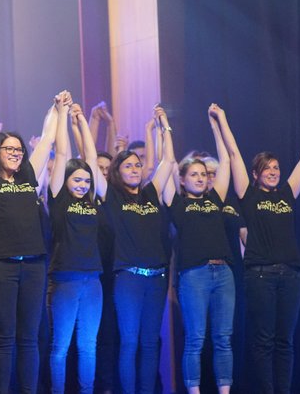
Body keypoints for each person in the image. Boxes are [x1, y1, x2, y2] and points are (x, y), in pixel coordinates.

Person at [231, 115, 300, 394]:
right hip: (260, 276)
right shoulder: (249, 196)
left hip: (291, 276)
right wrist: (220, 120)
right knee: (264, 341)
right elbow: (234, 155)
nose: (273, 172)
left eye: (276, 167)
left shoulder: (286, 195)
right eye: (266, 168)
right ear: (255, 174)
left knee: (285, 341)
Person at [0, 90, 59, 394]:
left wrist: (56, 108)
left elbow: (47, 139)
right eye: (9, 148)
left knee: (29, 338)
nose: (16, 153)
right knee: (4, 338)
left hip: (33, 266)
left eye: (19, 149)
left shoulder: (29, 177)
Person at [163, 104, 240, 393]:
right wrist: (163, 128)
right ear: (183, 180)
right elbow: (168, 163)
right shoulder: (178, 203)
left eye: (203, 174)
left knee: (223, 339)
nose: (199, 177)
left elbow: (227, 160)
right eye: (193, 174)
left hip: (224, 274)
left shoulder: (215, 199)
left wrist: (216, 123)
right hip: (194, 275)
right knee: (195, 339)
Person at [103, 106, 175, 394]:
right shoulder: (112, 197)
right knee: (130, 342)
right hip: (128, 279)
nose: (134, 169)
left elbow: (168, 161)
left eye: (137, 165)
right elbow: (91, 162)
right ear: (117, 172)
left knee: (149, 343)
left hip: (156, 279)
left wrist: (164, 126)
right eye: (128, 166)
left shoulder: (150, 194)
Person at [47, 97, 107, 393]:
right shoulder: (58, 199)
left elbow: (92, 159)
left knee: (88, 347)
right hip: (65, 280)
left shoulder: (93, 201)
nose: (83, 185)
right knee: (60, 347)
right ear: (65, 180)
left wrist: (82, 120)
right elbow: (62, 153)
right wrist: (62, 114)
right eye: (77, 180)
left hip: (92, 281)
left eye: (86, 181)